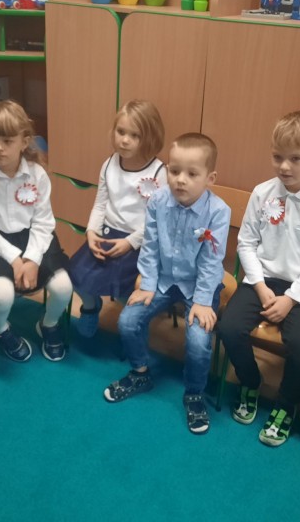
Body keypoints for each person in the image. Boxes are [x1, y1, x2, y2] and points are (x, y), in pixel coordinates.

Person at [217, 111, 300, 446]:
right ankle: (250, 382)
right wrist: (259, 286)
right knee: (229, 328)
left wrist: (291, 299)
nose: (284, 166)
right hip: (261, 280)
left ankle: (286, 405)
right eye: (277, 157)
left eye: (295, 158)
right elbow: (246, 243)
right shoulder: (262, 192)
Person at [103, 133, 230, 435]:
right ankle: (140, 373)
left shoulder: (219, 211)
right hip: (161, 279)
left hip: (199, 286)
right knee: (128, 320)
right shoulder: (158, 200)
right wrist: (147, 284)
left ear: (210, 178)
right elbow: (149, 245)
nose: (180, 180)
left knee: (198, 341)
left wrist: (203, 300)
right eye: (174, 171)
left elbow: (212, 261)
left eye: (192, 174)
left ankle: (194, 393)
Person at [0, 100, 72, 362]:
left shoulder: (37, 174)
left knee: (63, 288)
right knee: (2, 296)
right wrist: (15, 260)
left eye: (7, 141)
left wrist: (32, 259)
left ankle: (48, 324)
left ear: (24, 141)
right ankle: (0, 329)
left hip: (34, 237)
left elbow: (43, 222)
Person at [69, 99, 166, 337]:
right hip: (107, 235)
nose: (124, 140)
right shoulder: (109, 164)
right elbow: (100, 204)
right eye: (121, 132)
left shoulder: (159, 172)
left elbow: (157, 220)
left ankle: (132, 325)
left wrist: (130, 242)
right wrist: (91, 232)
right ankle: (90, 308)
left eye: (135, 135)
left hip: (140, 243)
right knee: (75, 274)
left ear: (150, 137)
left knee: (125, 290)